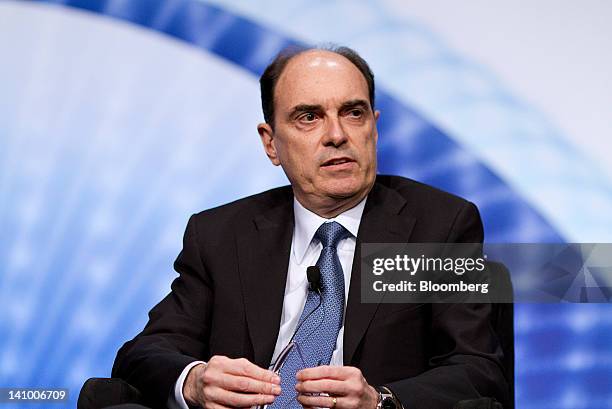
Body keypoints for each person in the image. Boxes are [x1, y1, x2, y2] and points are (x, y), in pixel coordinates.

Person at [112, 45, 509, 409]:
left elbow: (477, 370)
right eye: (309, 117)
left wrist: (381, 401)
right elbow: (145, 353)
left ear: (375, 125)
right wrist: (194, 381)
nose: (337, 135)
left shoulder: (437, 227)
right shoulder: (221, 235)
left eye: (354, 113)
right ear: (271, 143)